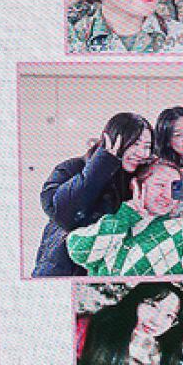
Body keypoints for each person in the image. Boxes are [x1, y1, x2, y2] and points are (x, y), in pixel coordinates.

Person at [33, 112, 155, 277]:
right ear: (111, 139)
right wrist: (103, 164)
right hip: (65, 273)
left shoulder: (138, 180)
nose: (142, 153)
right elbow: (61, 213)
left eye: (147, 146)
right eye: (135, 143)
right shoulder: (72, 167)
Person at [66, 161, 183, 276]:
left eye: (175, 188)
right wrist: (126, 215)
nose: (167, 195)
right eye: (160, 185)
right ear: (136, 185)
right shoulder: (113, 222)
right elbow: (79, 252)